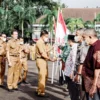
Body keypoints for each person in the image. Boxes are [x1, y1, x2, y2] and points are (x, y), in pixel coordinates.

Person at [35, 30, 56, 97]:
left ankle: (39, 89)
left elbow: (46, 51)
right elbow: (43, 54)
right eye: (46, 36)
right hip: (41, 60)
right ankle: (41, 92)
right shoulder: (39, 42)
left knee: (46, 76)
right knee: (42, 76)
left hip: (44, 60)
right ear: (43, 36)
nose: (47, 38)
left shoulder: (43, 43)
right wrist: (50, 59)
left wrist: (51, 48)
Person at [82, 29, 100, 100]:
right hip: (89, 82)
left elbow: (98, 68)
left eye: (84, 38)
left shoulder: (97, 47)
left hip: (95, 83)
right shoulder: (92, 46)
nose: (83, 40)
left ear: (90, 37)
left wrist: (94, 85)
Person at [74, 29, 89, 100]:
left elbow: (82, 62)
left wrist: (79, 74)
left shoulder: (84, 45)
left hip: (82, 72)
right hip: (78, 70)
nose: (75, 36)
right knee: (80, 91)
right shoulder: (79, 45)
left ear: (82, 36)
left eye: (77, 35)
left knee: (83, 92)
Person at [64, 35, 78, 100]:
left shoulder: (74, 48)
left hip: (71, 73)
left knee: (73, 90)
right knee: (71, 89)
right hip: (69, 71)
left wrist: (72, 72)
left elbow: (74, 61)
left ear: (69, 41)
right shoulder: (73, 47)